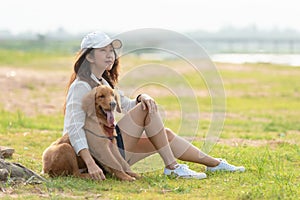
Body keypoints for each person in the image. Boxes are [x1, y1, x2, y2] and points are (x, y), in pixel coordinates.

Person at [63, 31, 245, 181]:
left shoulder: (103, 82)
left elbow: (125, 104)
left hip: (112, 148)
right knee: (145, 109)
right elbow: (74, 128)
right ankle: (172, 166)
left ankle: (215, 164)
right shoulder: (81, 86)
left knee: (164, 134)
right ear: (90, 57)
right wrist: (90, 164)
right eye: (103, 50)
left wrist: (143, 96)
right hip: (98, 153)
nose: (110, 54)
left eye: (111, 50)